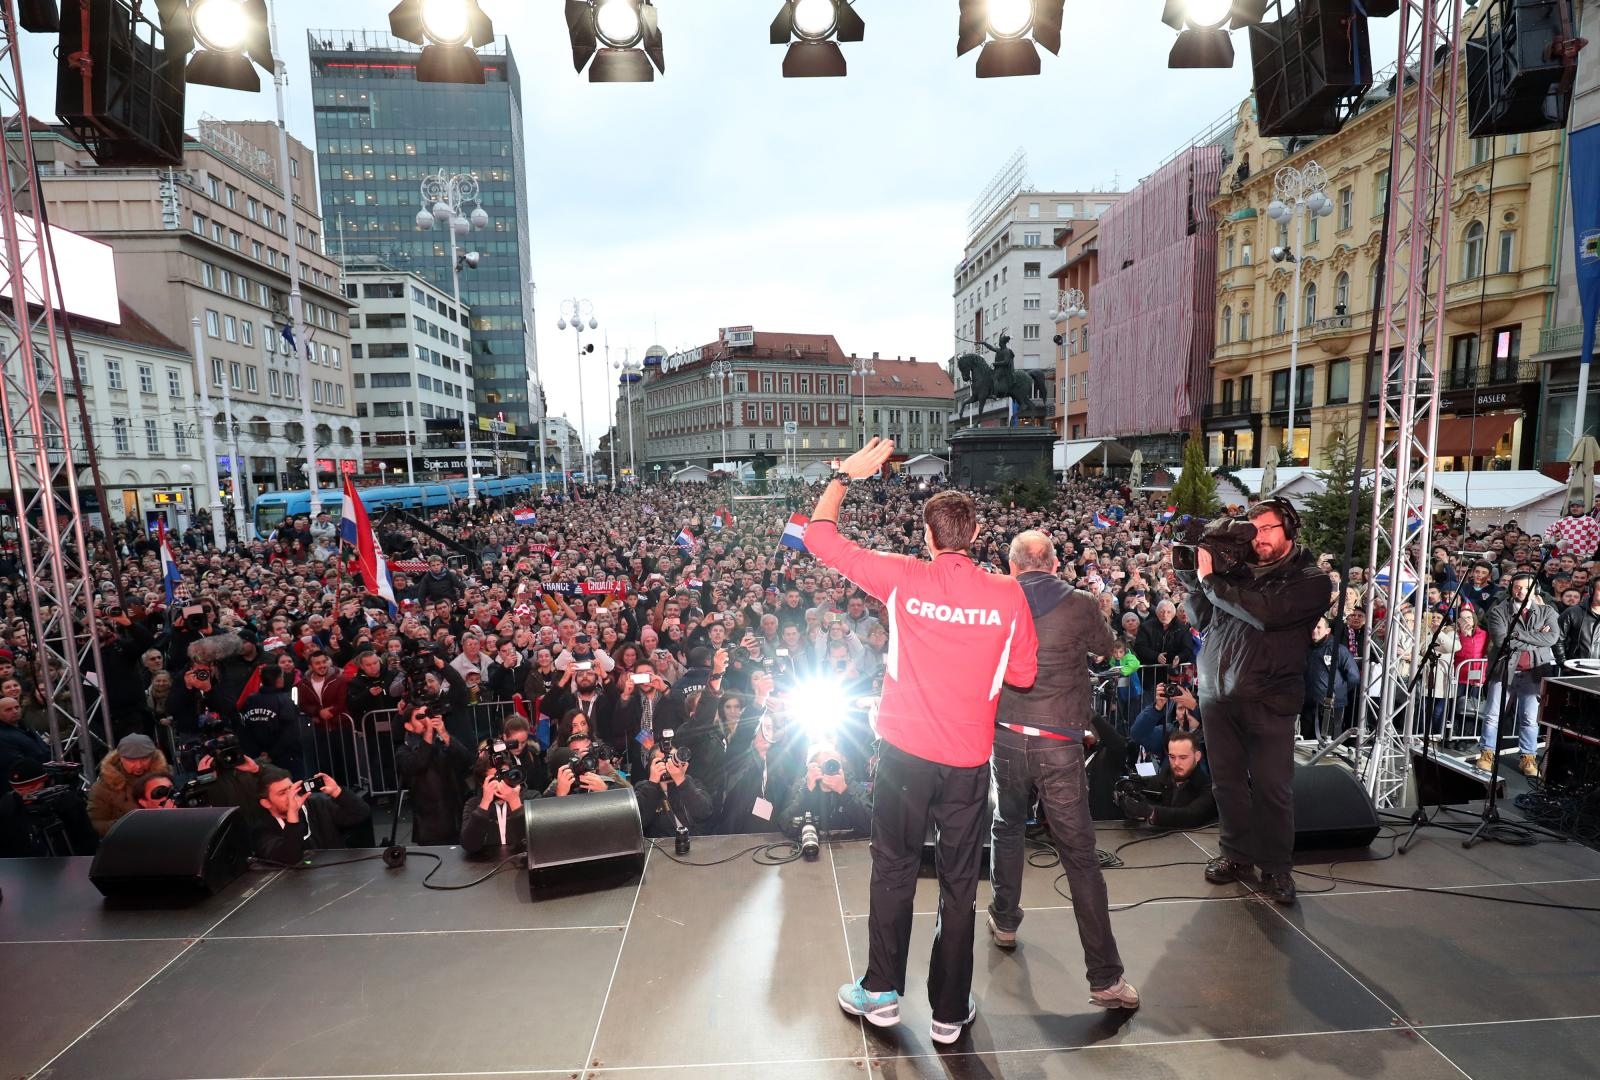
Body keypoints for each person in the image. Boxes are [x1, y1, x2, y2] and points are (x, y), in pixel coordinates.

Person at [807, 438, 1039, 1044]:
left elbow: (819, 539)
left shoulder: (904, 577)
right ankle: (948, 1012)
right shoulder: (1008, 594)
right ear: (977, 534)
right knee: (960, 883)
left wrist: (843, 476)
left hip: (904, 755)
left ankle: (882, 994)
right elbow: (1023, 675)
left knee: (894, 867)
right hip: (967, 761)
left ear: (927, 536)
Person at [986, 530, 1138, 1010]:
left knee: (1007, 825)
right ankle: (1106, 979)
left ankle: (1004, 921)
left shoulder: (995, 597)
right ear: (1054, 563)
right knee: (1079, 855)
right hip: (1058, 741)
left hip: (1006, 734)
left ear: (1012, 566)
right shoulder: (1079, 602)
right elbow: (1106, 647)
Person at [1179, 498, 1330, 905]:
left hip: (1270, 697)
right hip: (1217, 694)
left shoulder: (1310, 579)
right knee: (1227, 784)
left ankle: (1277, 867)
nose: (1258, 538)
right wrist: (1194, 580)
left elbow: (1267, 614)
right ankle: (1236, 855)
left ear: (1289, 529)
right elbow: (1202, 619)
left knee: (1271, 787)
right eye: (1253, 530)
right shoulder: (1235, 574)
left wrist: (1213, 583)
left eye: (1267, 529)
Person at [1475, 572, 1558, 778]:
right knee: (1493, 715)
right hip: (1503, 671)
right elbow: (1503, 640)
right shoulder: (1498, 611)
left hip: (1534, 672)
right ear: (1511, 588)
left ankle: (1528, 757)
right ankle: (1487, 753)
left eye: (1526, 587)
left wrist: (1518, 635)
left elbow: (1552, 638)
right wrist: (1537, 637)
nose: (1522, 591)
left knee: (1530, 718)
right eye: (1517, 587)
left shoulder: (1547, 611)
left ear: (1535, 590)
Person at [252, 765, 371, 863]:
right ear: (266, 803)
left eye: (291, 789)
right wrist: (293, 813)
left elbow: (361, 814)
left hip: (337, 871)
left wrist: (337, 791)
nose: (291, 795)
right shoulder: (263, 830)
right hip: (297, 882)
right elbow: (291, 857)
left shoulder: (318, 804)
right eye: (282, 793)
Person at [395, 703, 474, 845]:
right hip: (430, 827)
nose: (425, 720)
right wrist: (429, 732)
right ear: (408, 726)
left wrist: (444, 734)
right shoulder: (404, 751)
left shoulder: (442, 743)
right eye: (419, 717)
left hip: (456, 820)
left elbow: (467, 761)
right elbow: (418, 764)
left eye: (426, 715)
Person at [1112, 731, 1217, 830]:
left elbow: (1192, 815)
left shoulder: (1208, 788)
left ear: (1197, 756)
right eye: (1172, 757)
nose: (1176, 763)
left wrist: (1152, 812)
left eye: (1183, 757)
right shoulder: (1160, 780)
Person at [87, 733, 170, 836]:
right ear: (120, 758)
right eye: (132, 760)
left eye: (144, 759)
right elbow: (94, 824)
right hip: (125, 841)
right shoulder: (103, 787)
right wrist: (128, 825)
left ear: (152, 757)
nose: (139, 765)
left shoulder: (165, 779)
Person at [633, 742, 713, 838]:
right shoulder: (644, 788)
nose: (670, 765)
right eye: (664, 760)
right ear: (652, 765)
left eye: (673, 759)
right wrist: (652, 783)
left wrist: (681, 781)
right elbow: (637, 823)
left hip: (692, 842)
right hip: (661, 845)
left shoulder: (690, 783)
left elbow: (704, 813)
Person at [1301, 616, 1361, 741]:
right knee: (1307, 743)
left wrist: (1338, 691)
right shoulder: (1305, 648)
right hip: (1308, 705)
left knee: (1330, 743)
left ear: (1327, 631)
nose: (1315, 630)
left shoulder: (1338, 650)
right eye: (1313, 627)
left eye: (1319, 627)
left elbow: (1354, 677)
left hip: (1332, 706)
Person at [459, 760, 527, 857]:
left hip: (522, 862)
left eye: (505, 775)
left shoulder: (530, 798)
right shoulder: (473, 804)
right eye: (496, 778)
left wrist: (515, 802)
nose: (503, 782)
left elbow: (537, 844)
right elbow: (469, 846)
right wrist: (485, 803)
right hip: (485, 863)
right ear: (483, 783)